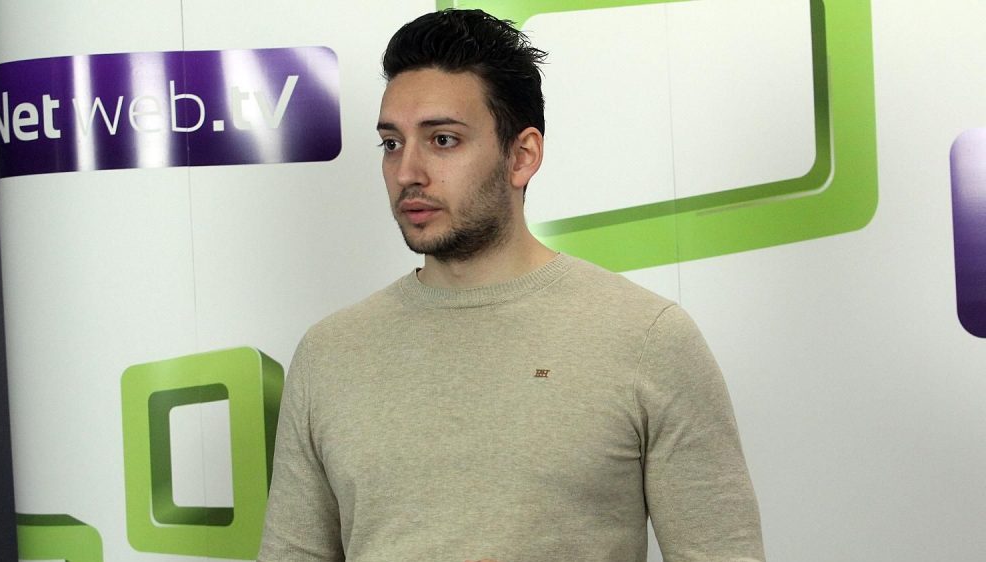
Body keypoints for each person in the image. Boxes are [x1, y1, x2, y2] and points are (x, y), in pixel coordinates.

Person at [258, 9, 765, 562]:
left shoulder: (647, 338)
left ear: (522, 156)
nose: (407, 173)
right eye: (392, 144)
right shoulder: (330, 353)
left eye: (443, 139)